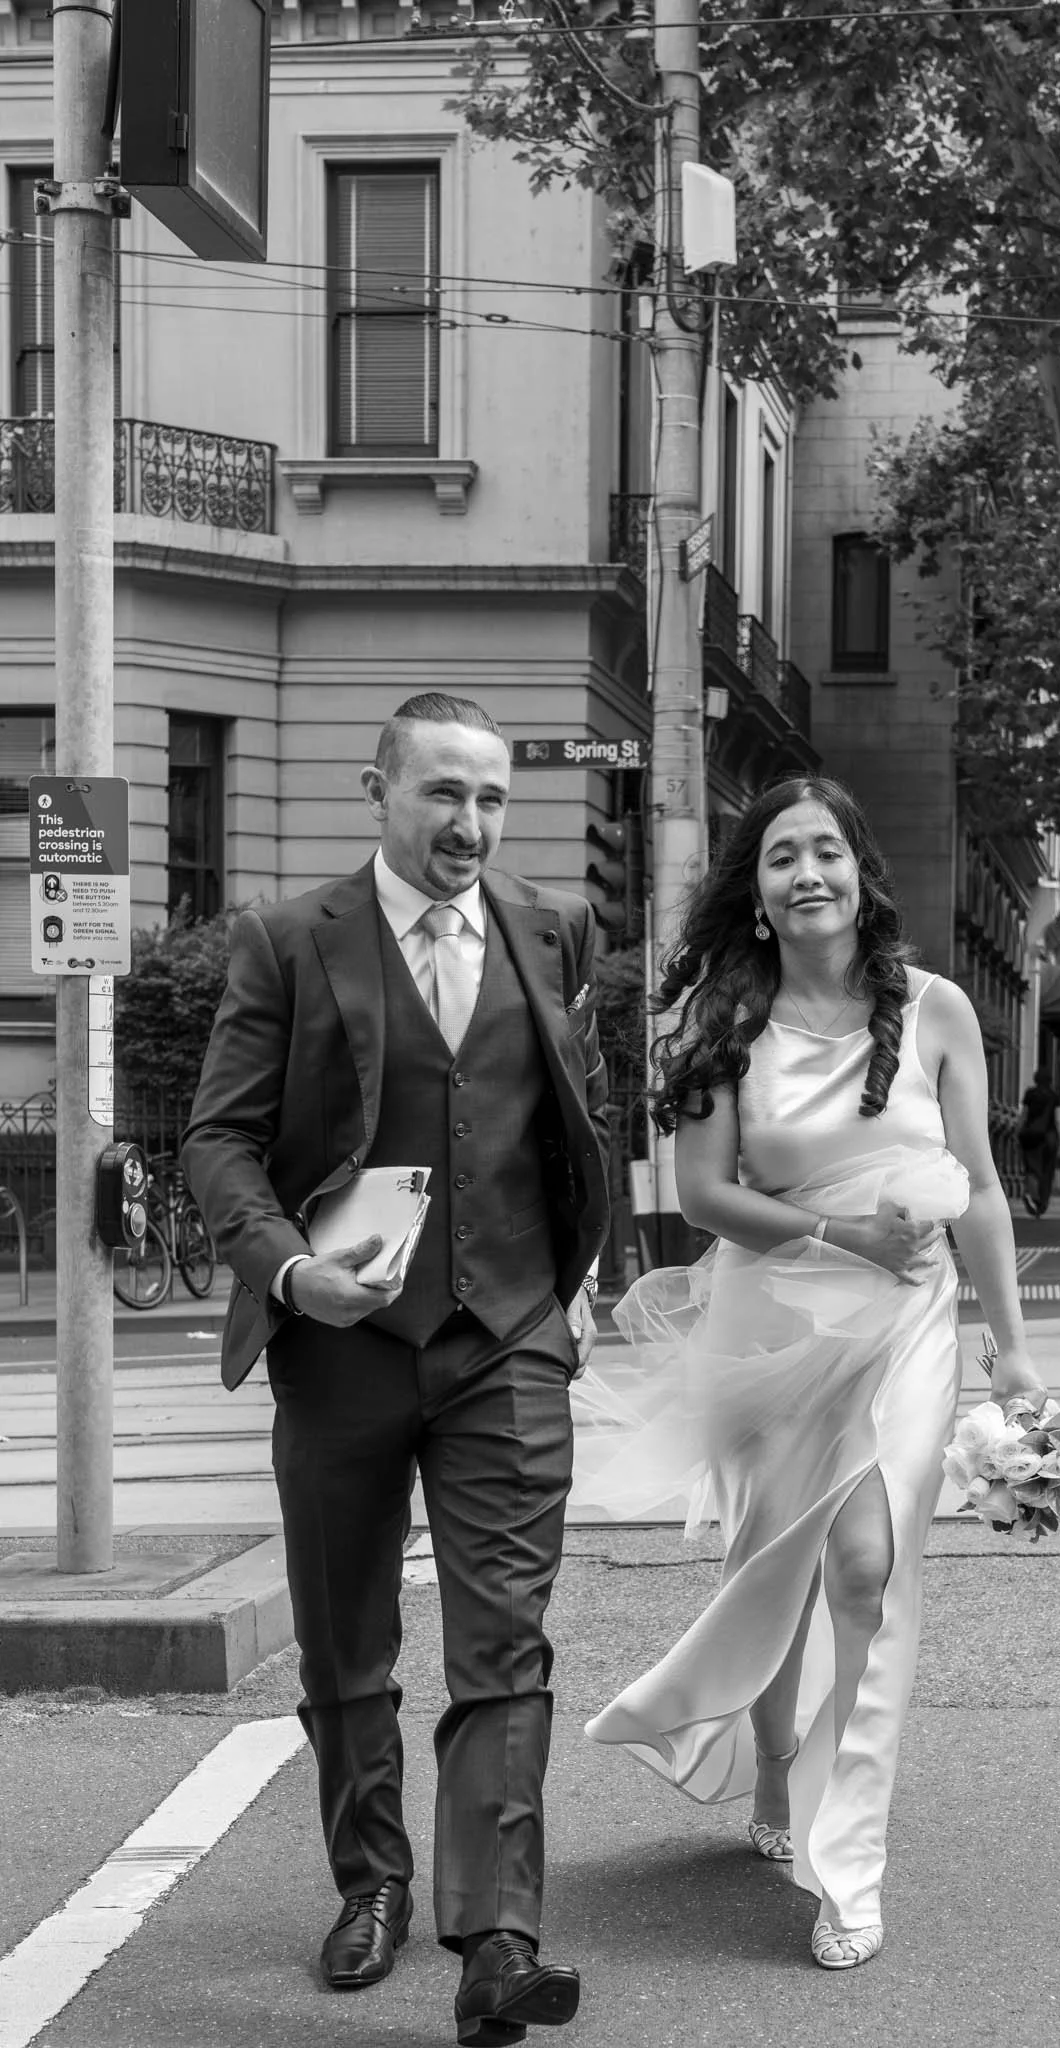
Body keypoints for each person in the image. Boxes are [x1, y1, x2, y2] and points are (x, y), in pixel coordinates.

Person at [181, 693, 610, 2046]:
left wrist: (579, 1285)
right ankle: (372, 1882)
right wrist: (289, 1270)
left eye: (490, 798)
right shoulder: (287, 940)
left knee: (505, 1645)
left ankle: (496, 1935)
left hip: (509, 1339)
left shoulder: (553, 930)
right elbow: (218, 1143)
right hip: (342, 1346)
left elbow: (573, 1120)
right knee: (346, 1639)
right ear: (378, 792)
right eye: (441, 794)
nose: (470, 824)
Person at [579, 776, 1044, 1973]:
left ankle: (853, 1867)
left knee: (865, 1564)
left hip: (911, 1321)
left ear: (858, 870)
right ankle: (774, 1760)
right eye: (782, 856)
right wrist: (843, 1235)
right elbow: (704, 1195)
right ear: (758, 890)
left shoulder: (937, 1010)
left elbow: (981, 1188)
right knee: (774, 1568)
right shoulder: (719, 1021)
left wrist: (1013, 1347)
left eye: (826, 849)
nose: (807, 873)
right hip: (772, 1320)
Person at [1017, 1065, 1060, 1216]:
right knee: (1047, 1171)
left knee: (1032, 1168)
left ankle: (1032, 1195)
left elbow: (1023, 1115)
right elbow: (1058, 1120)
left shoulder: (1030, 1094)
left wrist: (1018, 1131)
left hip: (1031, 1137)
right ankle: (1042, 1202)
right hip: (1049, 1138)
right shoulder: (1054, 1096)